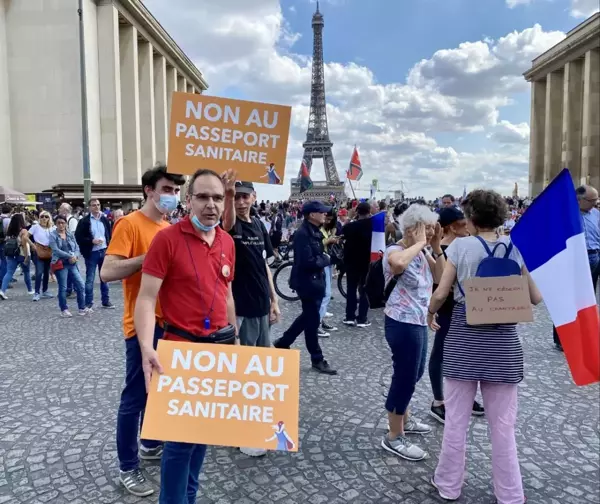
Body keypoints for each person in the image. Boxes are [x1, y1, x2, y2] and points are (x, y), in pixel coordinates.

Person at [427, 189, 542, 503]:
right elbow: (535, 297)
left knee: (456, 422)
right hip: (503, 345)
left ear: (472, 218)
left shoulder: (462, 247)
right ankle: (510, 493)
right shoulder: (515, 246)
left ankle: (449, 484)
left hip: (464, 339)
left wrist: (431, 312)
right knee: (503, 427)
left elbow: (442, 292)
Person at [135, 168, 237, 504]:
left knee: (202, 435)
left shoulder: (226, 240)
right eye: (204, 196)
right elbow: (147, 299)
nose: (211, 204)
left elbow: (226, 294)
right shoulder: (167, 239)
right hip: (180, 351)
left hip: (218, 349)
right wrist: (146, 347)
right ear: (189, 199)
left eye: (218, 197)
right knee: (179, 443)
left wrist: (235, 339)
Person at [101, 165, 185, 497]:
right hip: (140, 326)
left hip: (167, 323)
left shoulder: (167, 226)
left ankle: (150, 442)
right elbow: (107, 271)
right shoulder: (130, 223)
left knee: (157, 390)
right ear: (149, 190)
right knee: (134, 396)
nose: (173, 196)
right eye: (168, 189)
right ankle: (127, 466)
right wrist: (147, 259)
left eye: (177, 191)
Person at [380, 204, 444, 462]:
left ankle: (403, 416)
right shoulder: (396, 249)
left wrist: (436, 247)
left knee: (415, 372)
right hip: (401, 322)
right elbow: (397, 265)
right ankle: (394, 435)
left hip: (418, 320)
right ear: (411, 228)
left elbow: (440, 277)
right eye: (425, 228)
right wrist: (418, 243)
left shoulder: (424, 251)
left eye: (431, 228)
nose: (429, 232)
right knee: (405, 376)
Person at [222, 180, 280, 457]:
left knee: (261, 370)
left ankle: (257, 423)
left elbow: (264, 266)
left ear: (255, 197)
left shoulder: (258, 224)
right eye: (237, 197)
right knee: (243, 373)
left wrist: (274, 300)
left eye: (245, 196)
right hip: (241, 309)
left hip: (260, 307)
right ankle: (241, 432)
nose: (242, 201)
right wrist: (229, 196)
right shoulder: (232, 227)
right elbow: (228, 220)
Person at [426, 207, 484, 424]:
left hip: (470, 305)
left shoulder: (470, 244)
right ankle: (438, 400)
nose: (467, 224)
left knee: (469, 354)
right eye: (463, 222)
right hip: (448, 306)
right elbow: (439, 282)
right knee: (440, 352)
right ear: (452, 226)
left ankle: (465, 397)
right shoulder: (438, 248)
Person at [274, 201, 337, 375]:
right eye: (321, 212)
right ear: (311, 215)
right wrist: (326, 259)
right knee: (312, 321)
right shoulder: (303, 234)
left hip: (314, 283)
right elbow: (308, 261)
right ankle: (317, 358)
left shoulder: (314, 231)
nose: (325, 214)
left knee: (308, 317)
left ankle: (283, 342)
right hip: (308, 283)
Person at [553, 184, 600, 351]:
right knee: (567, 299)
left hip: (594, 256)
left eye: (596, 200)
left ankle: (585, 336)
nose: (595, 203)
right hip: (573, 259)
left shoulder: (596, 214)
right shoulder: (565, 215)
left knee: (588, 299)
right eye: (592, 200)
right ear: (579, 200)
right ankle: (562, 339)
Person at [75, 198, 113, 310]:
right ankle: (88, 303)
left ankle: (105, 301)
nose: (96, 207)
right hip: (92, 252)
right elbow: (78, 237)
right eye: (93, 205)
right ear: (89, 207)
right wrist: (91, 241)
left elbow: (109, 235)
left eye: (98, 205)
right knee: (90, 278)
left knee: (105, 277)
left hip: (104, 251)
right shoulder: (85, 221)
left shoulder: (104, 220)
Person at [341, 202, 372, 328]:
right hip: (366, 262)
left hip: (352, 262)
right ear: (369, 212)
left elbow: (343, 230)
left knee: (351, 289)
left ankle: (349, 316)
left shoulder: (351, 226)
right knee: (364, 290)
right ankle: (362, 318)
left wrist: (350, 216)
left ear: (357, 212)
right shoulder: (373, 226)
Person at [49, 215, 86, 317]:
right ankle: (64, 309)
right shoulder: (53, 235)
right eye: (59, 223)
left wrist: (75, 256)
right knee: (63, 287)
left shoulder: (69, 234)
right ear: (55, 224)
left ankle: (82, 307)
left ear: (66, 223)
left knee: (80, 284)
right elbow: (56, 250)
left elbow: (77, 247)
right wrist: (70, 255)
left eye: (63, 223)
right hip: (60, 264)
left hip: (72, 263)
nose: (61, 225)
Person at [0, 213, 34, 299]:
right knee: (26, 272)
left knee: (9, 272)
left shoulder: (9, 230)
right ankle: (30, 290)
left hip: (11, 254)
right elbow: (24, 245)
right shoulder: (24, 231)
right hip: (22, 254)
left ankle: (2, 291)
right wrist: (27, 256)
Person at [29, 211, 55, 301]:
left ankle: (45, 290)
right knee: (39, 272)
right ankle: (36, 292)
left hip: (49, 251)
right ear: (39, 218)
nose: (44, 218)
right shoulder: (35, 227)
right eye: (42, 216)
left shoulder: (52, 228)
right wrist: (32, 245)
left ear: (49, 218)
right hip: (38, 251)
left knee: (47, 272)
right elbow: (25, 236)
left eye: (46, 217)